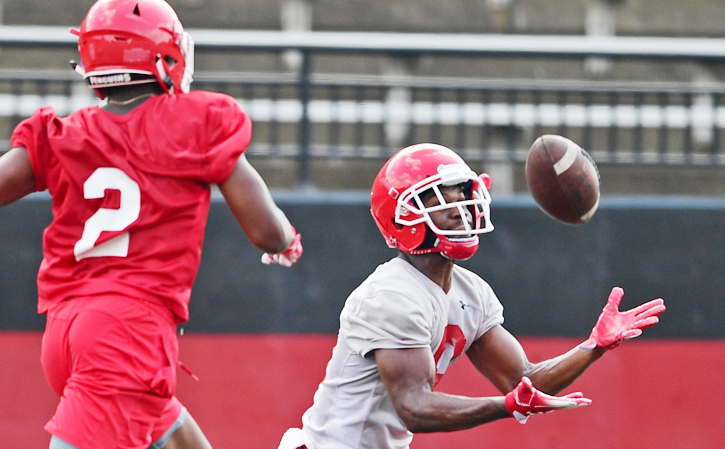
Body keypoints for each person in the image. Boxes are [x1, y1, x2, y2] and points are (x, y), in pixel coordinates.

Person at [0, 0, 303, 448]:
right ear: (165, 55)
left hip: (65, 333)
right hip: (127, 336)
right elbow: (266, 230)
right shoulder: (194, 124)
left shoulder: (63, 133)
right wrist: (286, 239)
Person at [277, 143, 665, 449]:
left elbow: (524, 380)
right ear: (402, 216)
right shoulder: (390, 294)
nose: (462, 209)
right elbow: (414, 407)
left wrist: (593, 346)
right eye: (441, 198)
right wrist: (506, 407)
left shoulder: (470, 293)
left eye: (463, 193)